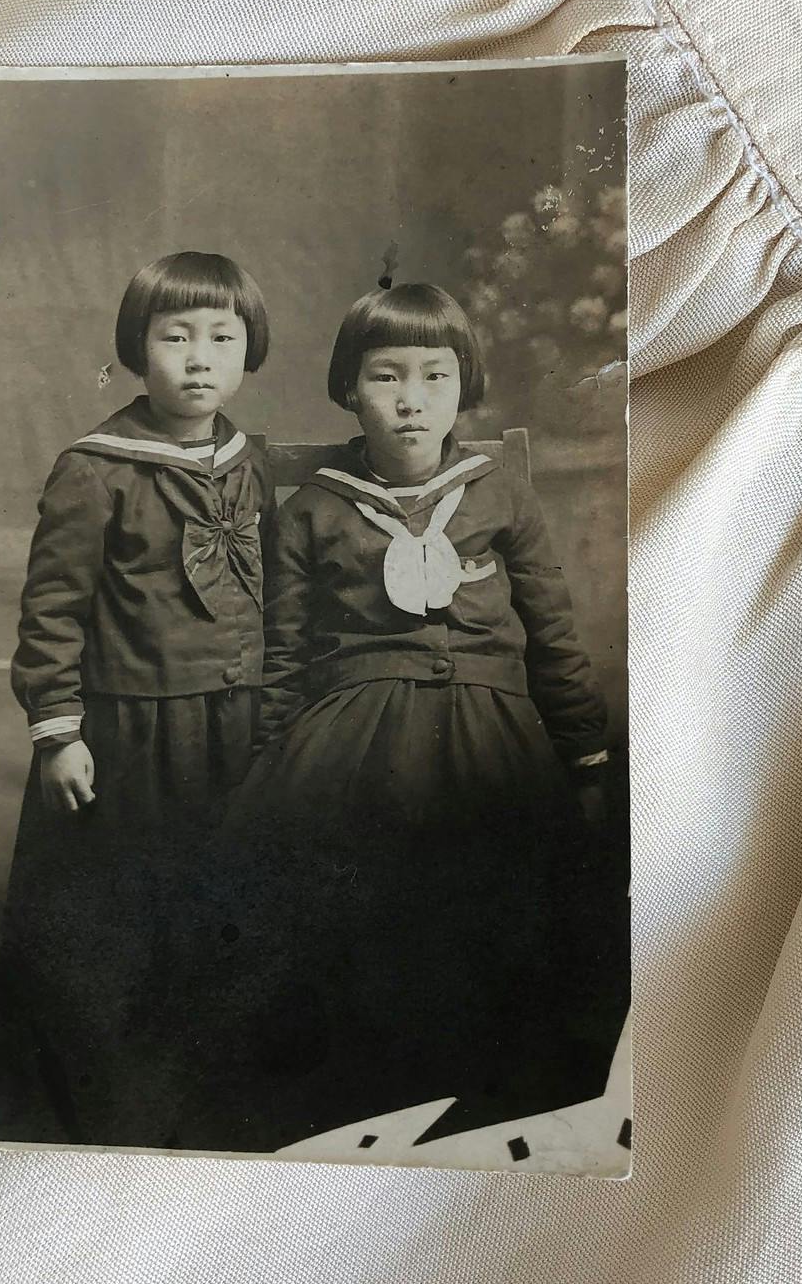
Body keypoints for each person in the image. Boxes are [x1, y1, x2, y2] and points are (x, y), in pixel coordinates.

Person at [211, 281, 627, 1150]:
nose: (410, 401)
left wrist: (585, 755)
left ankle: (480, 1086)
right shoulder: (314, 509)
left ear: (464, 386)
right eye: (386, 377)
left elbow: (551, 633)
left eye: (435, 377)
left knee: (507, 881)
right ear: (348, 389)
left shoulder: (500, 494)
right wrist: (262, 765)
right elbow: (285, 653)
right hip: (353, 726)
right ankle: (366, 1089)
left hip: (488, 722)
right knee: (324, 873)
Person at [3, 250, 274, 1149]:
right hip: (132, 735)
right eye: (176, 336)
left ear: (248, 352)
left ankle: (209, 1093)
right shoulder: (95, 470)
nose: (199, 358)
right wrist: (59, 734)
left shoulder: (251, 463)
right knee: (115, 916)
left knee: (220, 910)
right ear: (136, 347)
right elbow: (52, 610)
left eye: (221, 338)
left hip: (235, 726)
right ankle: (114, 1103)